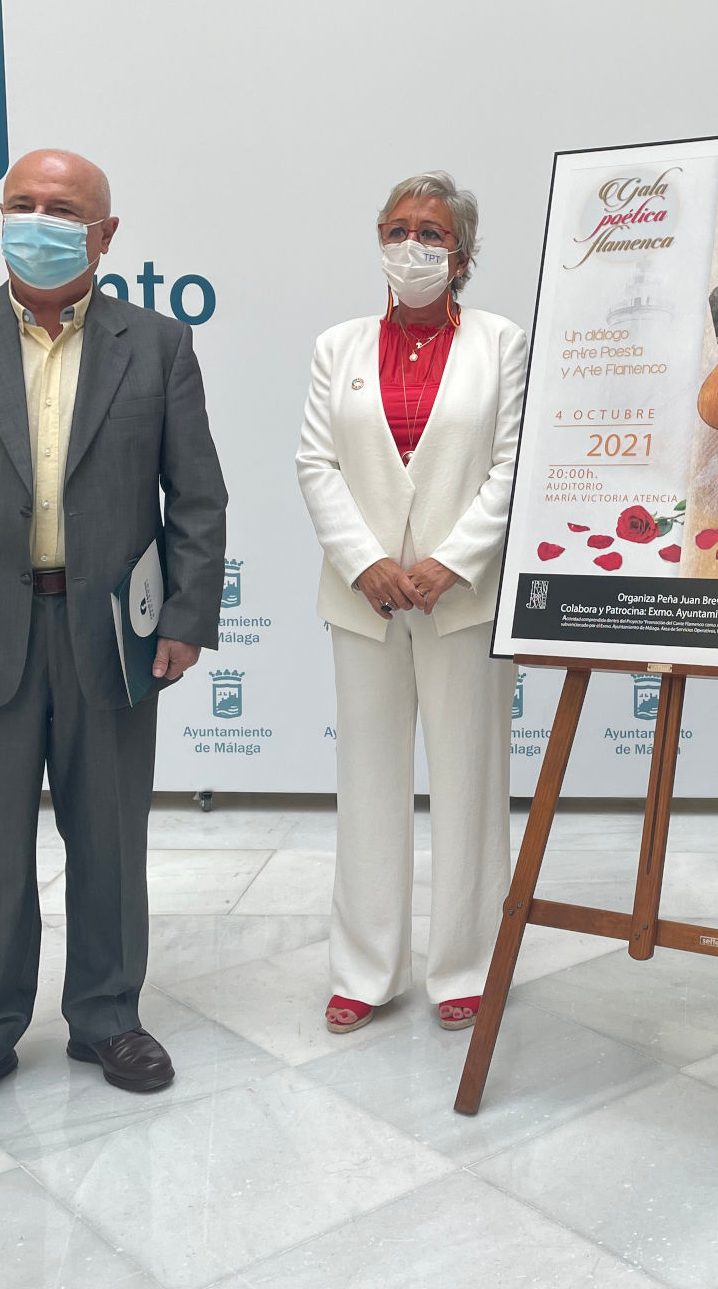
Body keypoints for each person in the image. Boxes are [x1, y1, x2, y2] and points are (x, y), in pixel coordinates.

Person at [0, 148, 228, 1131]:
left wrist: (187, 616)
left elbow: (196, 496)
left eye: (63, 208)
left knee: (111, 838)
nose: (39, 219)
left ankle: (107, 1016)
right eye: (21, 203)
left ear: (105, 234)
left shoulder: (157, 344)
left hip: (112, 633)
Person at [296, 171, 527, 1037]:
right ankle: (366, 967)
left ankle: (464, 966)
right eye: (396, 228)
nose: (411, 245)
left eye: (430, 232)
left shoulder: (503, 343)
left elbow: (512, 464)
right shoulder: (338, 346)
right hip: (364, 602)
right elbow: (316, 463)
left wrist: (451, 562)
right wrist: (365, 563)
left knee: (470, 783)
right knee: (369, 783)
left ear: (461, 253)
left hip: (460, 602)